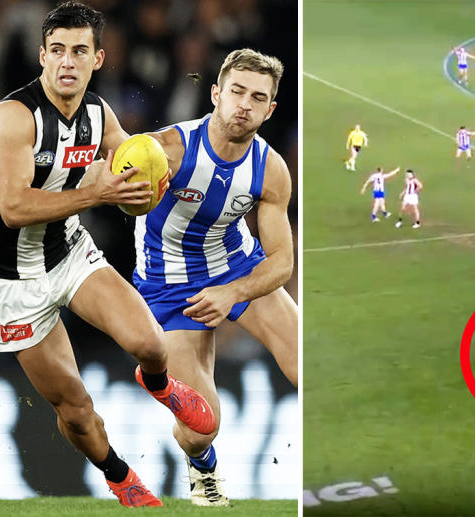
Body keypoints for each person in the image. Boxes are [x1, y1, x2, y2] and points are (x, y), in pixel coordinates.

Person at [0, 2, 215, 508]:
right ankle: (120, 475)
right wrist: (98, 195)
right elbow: (15, 207)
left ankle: (160, 387)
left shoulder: (98, 114)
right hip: (9, 279)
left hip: (67, 252)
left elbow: (135, 161)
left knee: (152, 344)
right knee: (77, 410)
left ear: (98, 59)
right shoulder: (13, 117)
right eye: (57, 50)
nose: (67, 61)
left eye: (79, 51)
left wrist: (162, 183)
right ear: (41, 56)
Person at [134, 48, 299, 507]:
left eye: (258, 97)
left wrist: (231, 292)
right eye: (236, 91)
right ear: (216, 94)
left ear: (270, 110)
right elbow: (116, 175)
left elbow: (282, 261)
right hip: (169, 285)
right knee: (200, 427)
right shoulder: (169, 148)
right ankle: (203, 470)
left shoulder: (271, 170)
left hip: (236, 267)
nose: (244, 104)